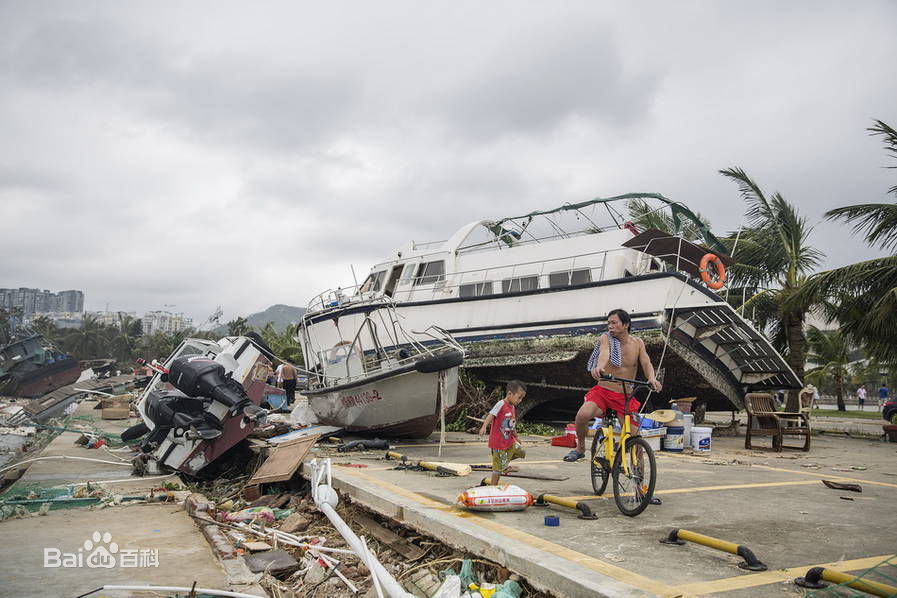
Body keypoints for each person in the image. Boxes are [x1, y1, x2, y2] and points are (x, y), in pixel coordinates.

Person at [564, 308, 662, 462]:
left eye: (614, 323)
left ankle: (639, 479)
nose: (610, 326)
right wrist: (600, 367)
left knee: (635, 437)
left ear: (626, 324)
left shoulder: (638, 343)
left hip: (624, 396)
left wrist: (652, 378)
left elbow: (646, 362)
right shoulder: (606, 338)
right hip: (603, 391)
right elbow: (604, 353)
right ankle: (580, 448)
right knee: (582, 415)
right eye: (608, 323)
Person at [479, 380, 527, 485]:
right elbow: (491, 415)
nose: (520, 400)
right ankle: (493, 486)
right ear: (510, 394)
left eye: (522, 398)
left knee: (521, 451)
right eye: (519, 397)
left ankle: (504, 464)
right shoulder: (501, 404)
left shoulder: (513, 407)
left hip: (509, 440)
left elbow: (512, 424)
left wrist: (516, 436)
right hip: (498, 443)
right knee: (497, 469)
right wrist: (484, 427)